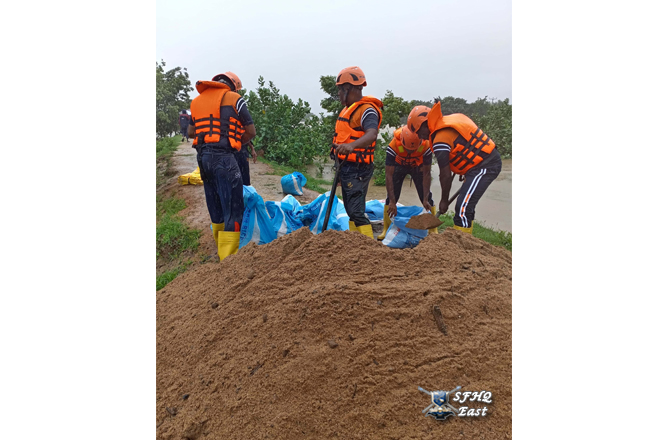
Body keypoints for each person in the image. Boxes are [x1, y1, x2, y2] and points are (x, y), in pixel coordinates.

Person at [187, 71, 256, 259]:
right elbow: (251, 131)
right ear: (233, 86)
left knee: (214, 204)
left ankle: (220, 249)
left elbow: (191, 132)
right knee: (233, 209)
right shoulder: (235, 99)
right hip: (224, 158)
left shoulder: (196, 101)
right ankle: (228, 260)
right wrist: (235, 141)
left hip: (203, 160)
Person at [407, 101, 501, 234]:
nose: (419, 136)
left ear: (425, 124)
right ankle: (466, 240)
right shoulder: (445, 122)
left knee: (463, 208)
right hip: (476, 166)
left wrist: (444, 200)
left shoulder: (440, 139)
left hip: (485, 165)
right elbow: (460, 147)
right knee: (466, 206)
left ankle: (460, 244)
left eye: (417, 131)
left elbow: (445, 175)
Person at [330, 66, 383, 238]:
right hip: (346, 167)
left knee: (356, 210)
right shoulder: (349, 109)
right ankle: (355, 242)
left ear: (349, 88)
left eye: (340, 90)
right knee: (350, 209)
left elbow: (371, 134)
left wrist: (352, 146)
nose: (338, 94)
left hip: (358, 168)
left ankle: (367, 244)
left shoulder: (367, 110)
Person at [378, 125, 437, 240]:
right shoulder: (393, 146)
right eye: (408, 149)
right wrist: (392, 202)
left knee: (427, 198)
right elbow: (388, 175)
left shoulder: (426, 146)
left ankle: (432, 229)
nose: (410, 151)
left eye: (413, 150)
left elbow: (426, 174)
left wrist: (425, 198)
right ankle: (387, 228)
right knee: (391, 198)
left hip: (417, 166)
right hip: (399, 166)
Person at [206, 72, 258, 186]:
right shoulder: (235, 103)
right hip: (236, 150)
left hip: (211, 153)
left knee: (223, 184)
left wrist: (251, 147)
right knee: (242, 183)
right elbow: (249, 131)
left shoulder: (209, 106)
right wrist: (239, 143)